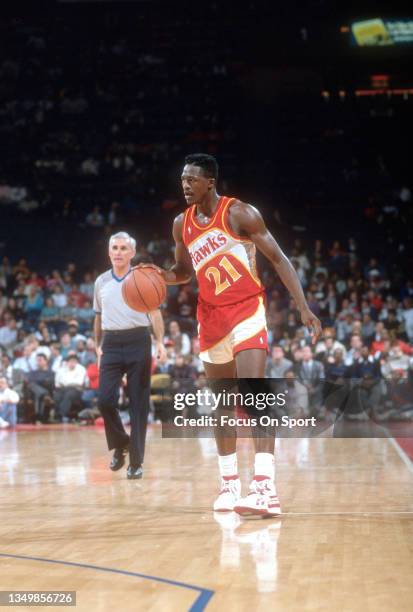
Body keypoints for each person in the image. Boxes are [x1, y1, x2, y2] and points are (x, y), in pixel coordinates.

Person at [141, 154, 321, 516]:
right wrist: (159, 275)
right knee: (222, 404)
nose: (185, 185)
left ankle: (265, 487)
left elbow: (279, 258)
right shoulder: (182, 224)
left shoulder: (239, 213)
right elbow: (183, 271)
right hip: (210, 318)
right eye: (182, 180)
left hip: (246, 308)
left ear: (210, 181)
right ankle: (228, 486)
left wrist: (302, 306)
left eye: (192, 179)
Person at [94, 232, 166, 480]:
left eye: (124, 248)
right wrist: (97, 345)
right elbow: (97, 316)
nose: (118, 252)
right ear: (108, 251)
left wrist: (160, 342)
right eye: (114, 247)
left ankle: (136, 462)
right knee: (105, 400)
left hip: (139, 340)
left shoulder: (144, 277)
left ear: (132, 253)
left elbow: (155, 314)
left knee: (138, 405)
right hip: (111, 343)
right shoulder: (101, 281)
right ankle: (121, 442)